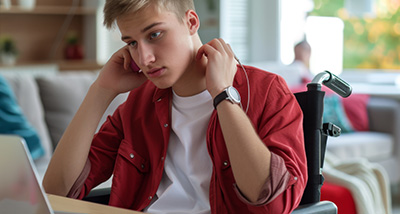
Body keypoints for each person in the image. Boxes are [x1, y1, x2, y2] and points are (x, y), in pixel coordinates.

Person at [43, 0, 307, 213]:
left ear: (191, 22)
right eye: (132, 43)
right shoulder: (138, 104)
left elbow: (273, 205)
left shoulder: (266, 91)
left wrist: (224, 95)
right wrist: (101, 91)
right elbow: (57, 192)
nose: (144, 58)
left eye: (154, 34)